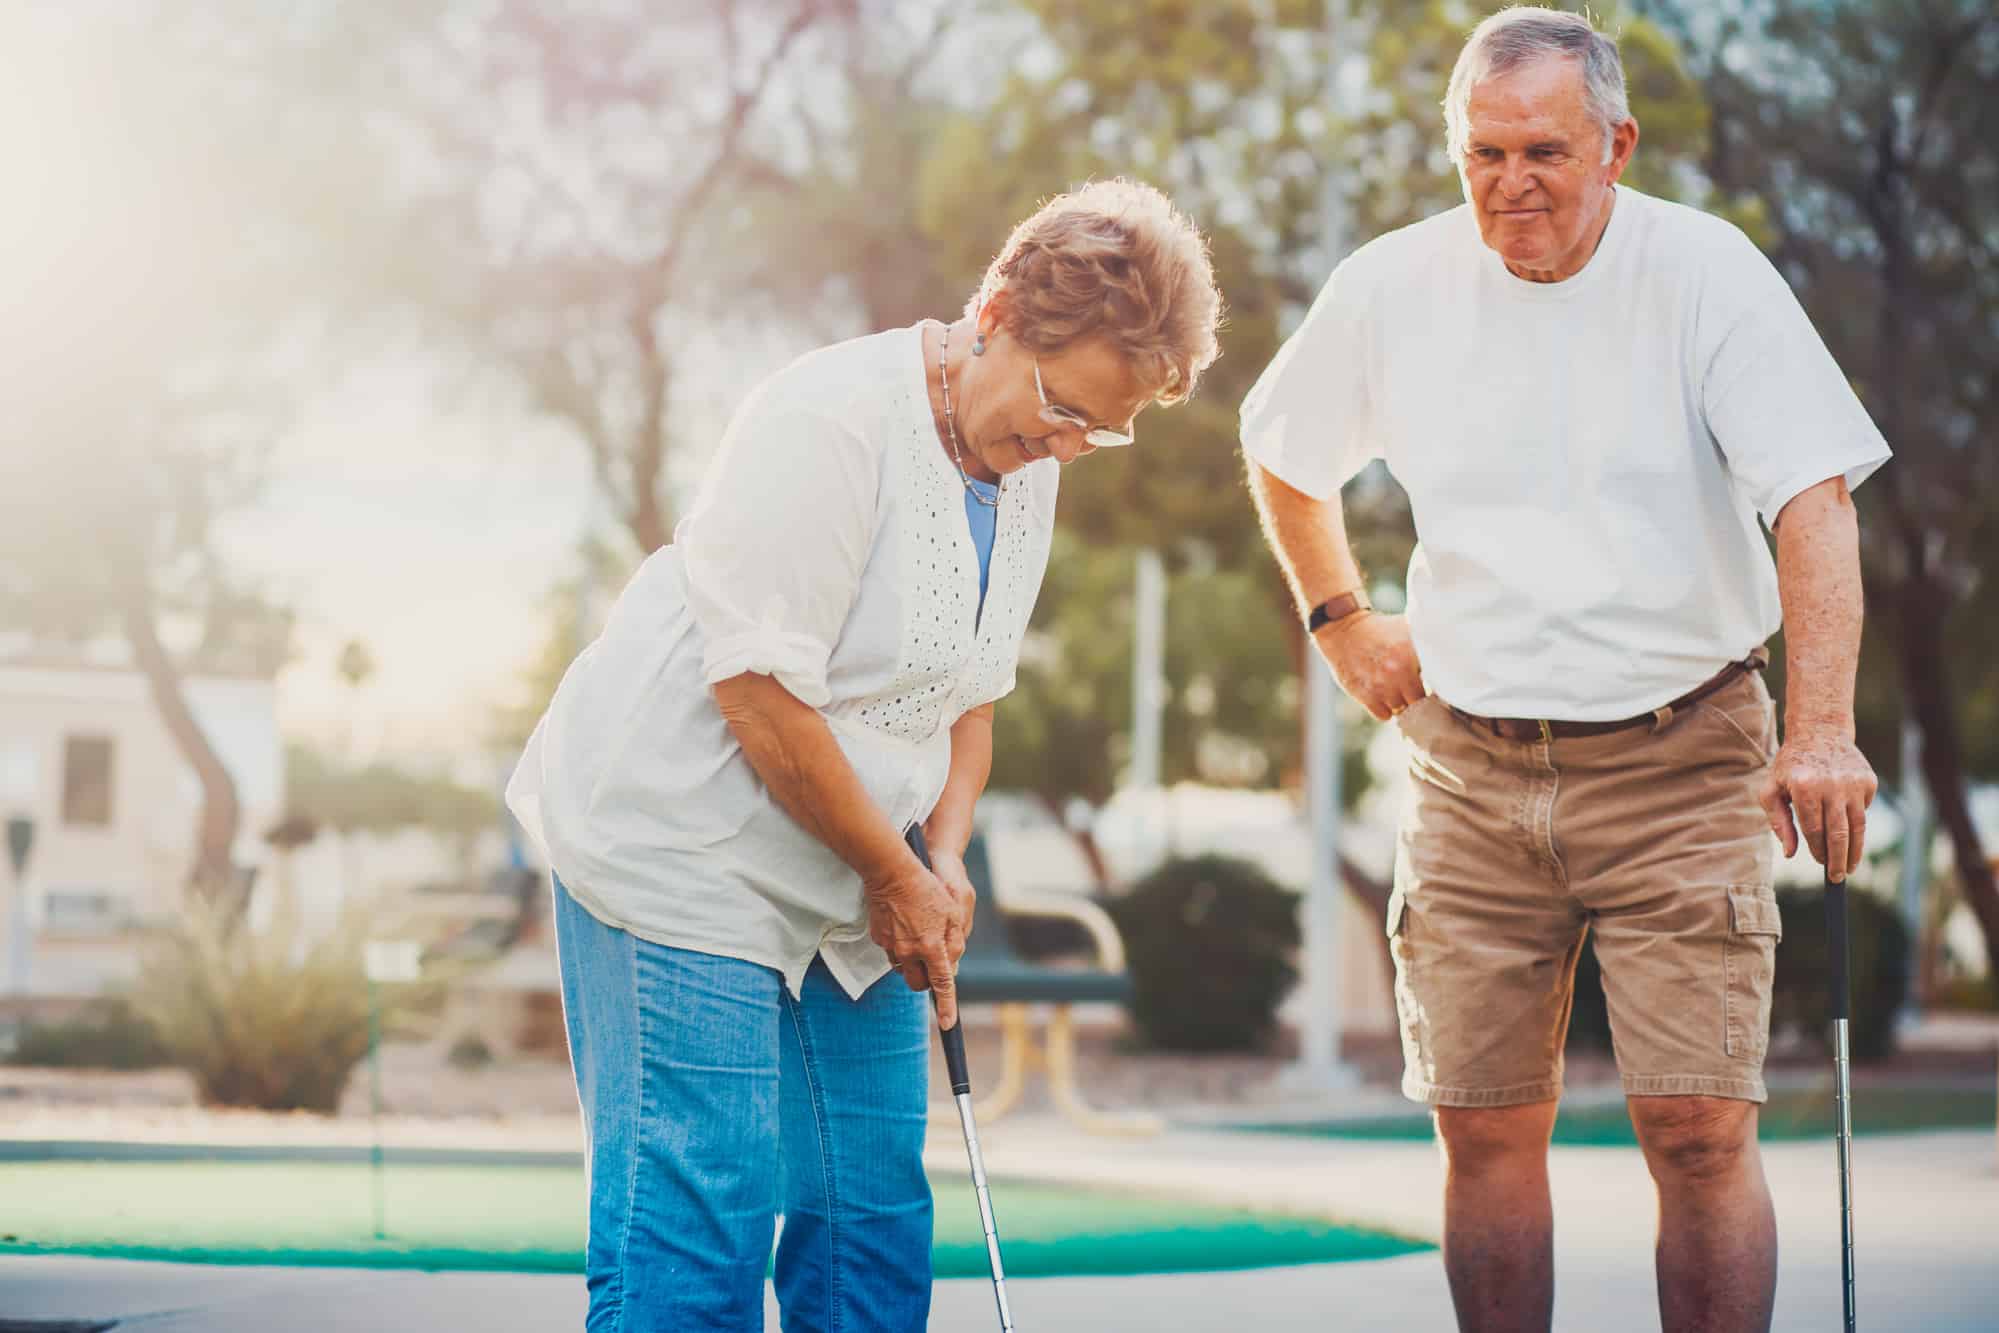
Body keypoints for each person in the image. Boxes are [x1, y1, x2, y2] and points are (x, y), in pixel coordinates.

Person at [1239, 9, 1887, 1331]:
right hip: (1467, 764)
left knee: (1695, 1128)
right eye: (1482, 153)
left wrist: (1818, 729)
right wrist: (1339, 619)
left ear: (1614, 145)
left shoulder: (1703, 273)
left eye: (1541, 150)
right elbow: (1281, 449)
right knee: (1481, 1134)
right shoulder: (1390, 285)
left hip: (1680, 753)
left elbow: (1810, 503)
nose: (1509, 183)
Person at [507, 178, 1220, 1332]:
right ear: (995, 310)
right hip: (679, 841)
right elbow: (757, 691)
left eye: (1103, 427)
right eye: (1062, 405)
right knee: (703, 1226)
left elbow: (972, 697)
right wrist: (895, 876)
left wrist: (940, 856)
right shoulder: (827, 420)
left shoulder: (1029, 465)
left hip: (854, 859)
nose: (1069, 444)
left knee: (871, 1218)